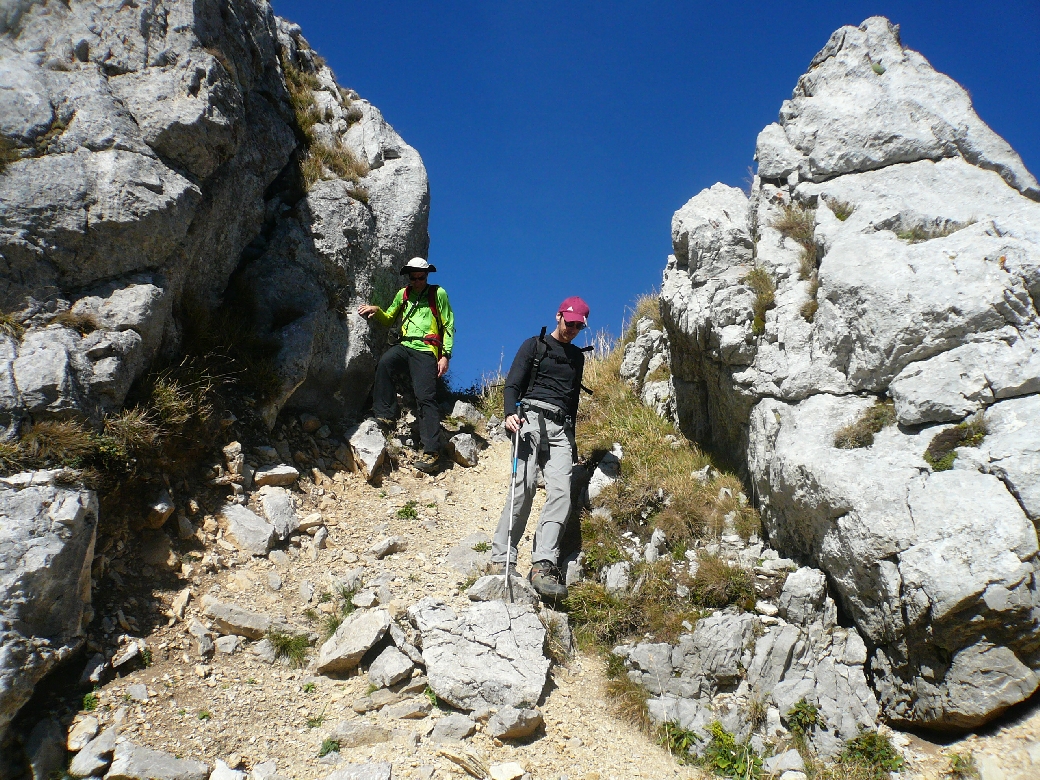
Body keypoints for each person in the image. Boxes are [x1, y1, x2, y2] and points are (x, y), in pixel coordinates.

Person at [490, 296, 590, 600]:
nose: (573, 329)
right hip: (529, 418)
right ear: (559, 316)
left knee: (561, 492)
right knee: (524, 485)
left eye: (578, 326)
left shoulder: (577, 358)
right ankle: (501, 559)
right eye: (569, 322)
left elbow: (572, 401)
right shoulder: (533, 345)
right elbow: (512, 384)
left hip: (561, 428)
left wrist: (572, 441)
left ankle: (542, 565)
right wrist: (510, 413)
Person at [358, 258, 455, 474]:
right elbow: (389, 318)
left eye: (422, 277)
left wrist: (445, 355)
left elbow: (448, 325)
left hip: (426, 349)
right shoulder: (403, 294)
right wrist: (376, 310)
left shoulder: (437, 294)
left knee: (425, 396)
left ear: (427, 276)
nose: (418, 280)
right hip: (405, 345)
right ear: (409, 276)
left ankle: (432, 452)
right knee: (385, 363)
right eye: (415, 277)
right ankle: (386, 415)